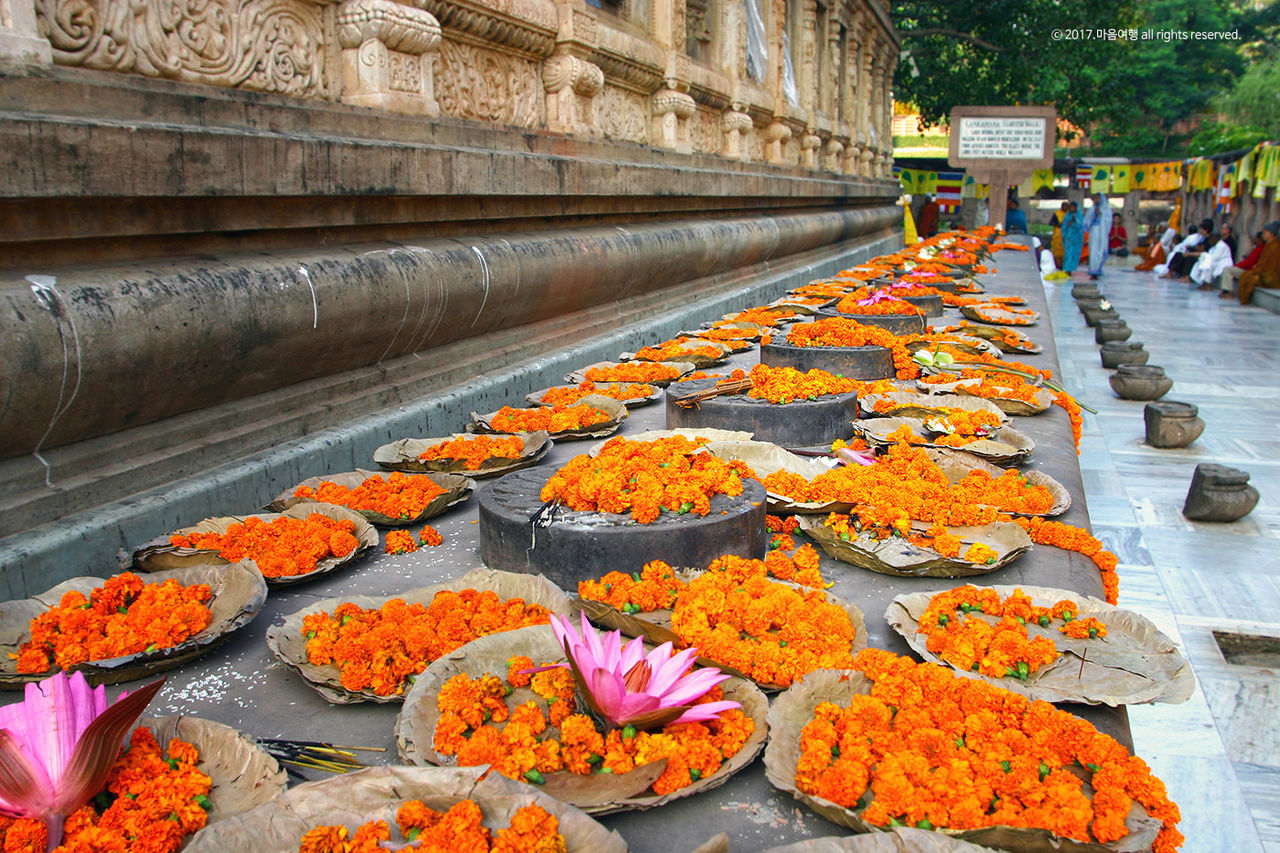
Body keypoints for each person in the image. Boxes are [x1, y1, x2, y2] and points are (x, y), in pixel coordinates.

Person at [1237, 221, 1280, 304]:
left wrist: (1257, 270)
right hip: (1262, 271)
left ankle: (1245, 299)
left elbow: (1271, 266)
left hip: (1271, 276)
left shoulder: (1275, 247)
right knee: (1245, 275)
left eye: (1265, 232)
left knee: (1250, 278)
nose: (1263, 234)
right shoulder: (1268, 245)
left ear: (1271, 234)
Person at [1219, 231, 1266, 299]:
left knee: (1228, 270)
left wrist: (1236, 266)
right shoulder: (1262, 248)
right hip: (1252, 270)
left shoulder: (1259, 249)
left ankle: (1228, 291)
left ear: (1259, 239)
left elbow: (1249, 262)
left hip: (1251, 271)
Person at [1082, 193, 1113, 279]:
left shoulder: (1107, 209)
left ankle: (1098, 268)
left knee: (1101, 250)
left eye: (1097, 198)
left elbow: (1108, 221)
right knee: (1093, 251)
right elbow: (1086, 223)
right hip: (1094, 231)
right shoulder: (1092, 209)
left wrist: (1101, 214)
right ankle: (1093, 270)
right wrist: (1094, 215)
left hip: (1102, 232)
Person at [1061, 202, 1084, 274]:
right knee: (1068, 253)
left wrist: (1076, 220)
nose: (1072, 209)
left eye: (1073, 207)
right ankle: (1066, 268)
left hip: (1076, 239)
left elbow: (1081, 226)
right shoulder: (1067, 215)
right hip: (1069, 237)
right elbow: (1064, 225)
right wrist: (1070, 223)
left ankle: (1070, 269)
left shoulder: (1080, 215)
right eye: (1071, 207)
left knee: (1074, 254)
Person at [1050, 203, 1067, 268]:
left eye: (1066, 206)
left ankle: (1065, 265)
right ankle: (1058, 264)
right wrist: (1058, 225)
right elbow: (1051, 223)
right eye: (1063, 206)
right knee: (1057, 250)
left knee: (1065, 250)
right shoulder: (1057, 213)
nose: (1065, 208)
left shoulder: (1069, 214)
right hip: (1058, 234)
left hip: (1066, 235)